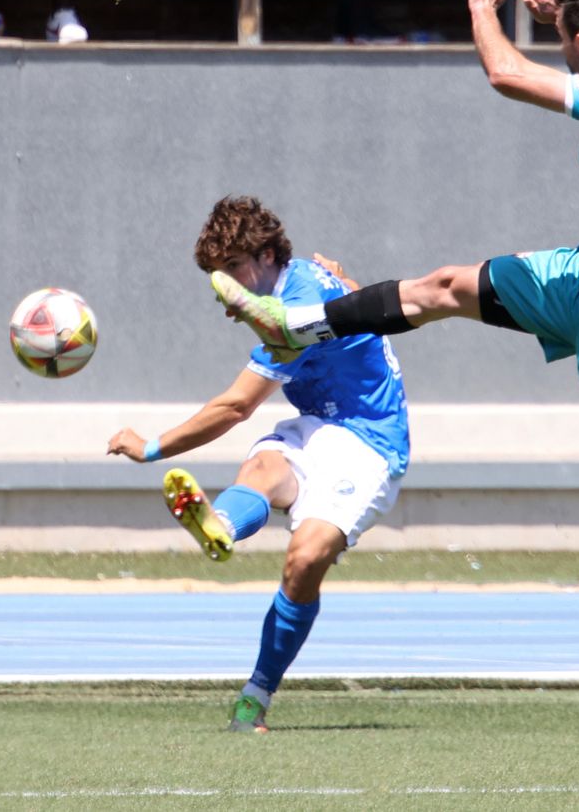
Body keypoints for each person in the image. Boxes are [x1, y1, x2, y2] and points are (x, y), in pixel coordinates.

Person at [210, 0, 579, 725]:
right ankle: (300, 324)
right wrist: (559, 12)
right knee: (446, 286)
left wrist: (482, 9)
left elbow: (506, 73)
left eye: (566, 38)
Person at [107, 195, 409, 734]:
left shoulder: (294, 312)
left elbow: (236, 407)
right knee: (265, 466)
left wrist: (150, 448)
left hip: (369, 442)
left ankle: (256, 695)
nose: (229, 298)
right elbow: (355, 307)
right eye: (219, 281)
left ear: (268, 255)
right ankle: (220, 525)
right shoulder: (306, 280)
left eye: (234, 272)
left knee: (305, 559)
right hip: (315, 424)